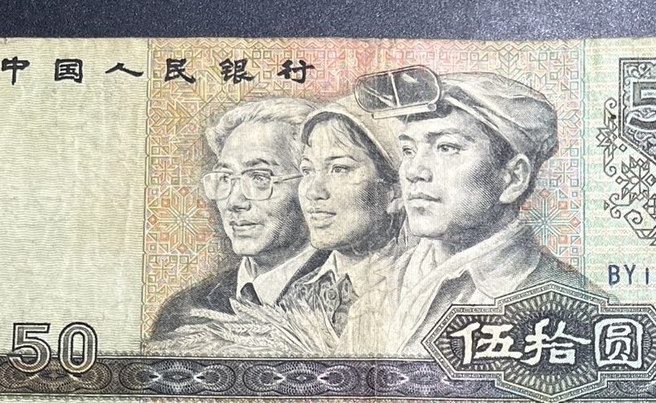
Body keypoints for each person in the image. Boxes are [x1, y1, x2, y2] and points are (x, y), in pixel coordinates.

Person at [377, 72, 598, 356]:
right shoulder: (386, 279)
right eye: (408, 150)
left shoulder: (576, 306)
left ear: (513, 178)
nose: (413, 171)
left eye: (446, 147)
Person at [150, 98, 326, 339]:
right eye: (225, 178)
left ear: (309, 183)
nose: (234, 202)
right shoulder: (185, 312)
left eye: (260, 177)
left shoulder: (347, 300)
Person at [279, 98, 404, 350]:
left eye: (340, 169)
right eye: (307, 170)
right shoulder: (296, 295)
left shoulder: (415, 289)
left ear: (395, 193)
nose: (313, 191)